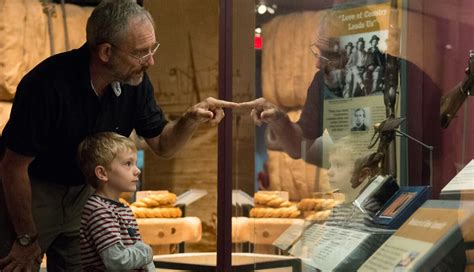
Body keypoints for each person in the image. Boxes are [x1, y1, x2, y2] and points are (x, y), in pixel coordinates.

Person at [0, 1, 237, 270]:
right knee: (18, 263)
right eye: (141, 53)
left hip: (86, 194)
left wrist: (190, 119)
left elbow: (162, 144)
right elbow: (13, 166)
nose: (151, 61)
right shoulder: (46, 84)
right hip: (34, 189)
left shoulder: (135, 83)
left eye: (152, 49)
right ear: (105, 52)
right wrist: (25, 236)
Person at [78, 132, 154, 271]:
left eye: (135, 164)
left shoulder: (122, 208)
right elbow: (117, 261)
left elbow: (135, 246)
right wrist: (146, 252)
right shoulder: (99, 210)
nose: (137, 171)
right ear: (102, 173)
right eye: (128, 164)